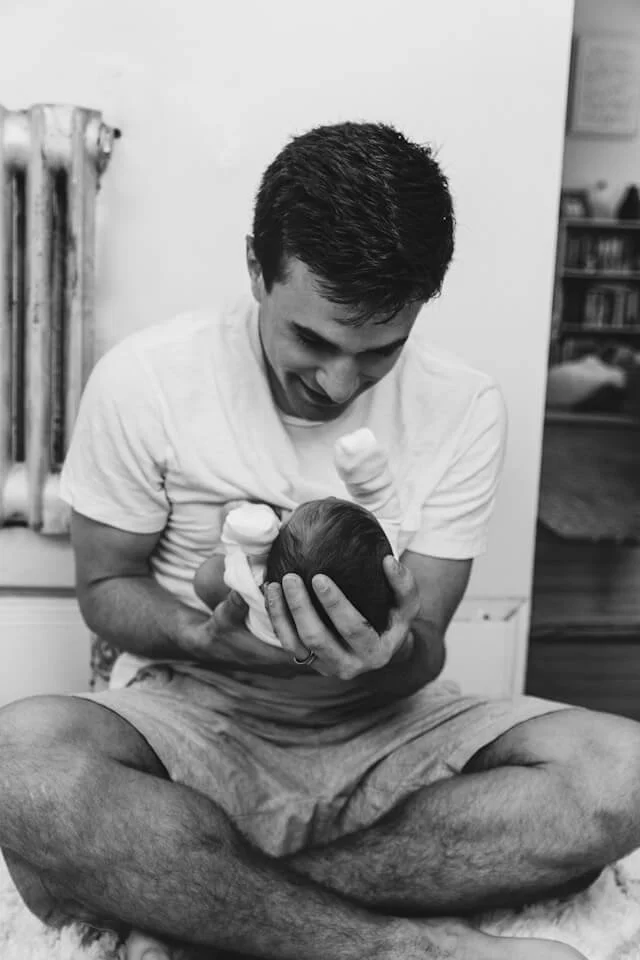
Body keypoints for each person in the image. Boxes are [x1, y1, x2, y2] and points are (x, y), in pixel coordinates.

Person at [6, 120, 637, 960]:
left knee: (621, 773)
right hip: (197, 717)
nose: (339, 384)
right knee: (22, 764)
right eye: (311, 339)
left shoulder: (464, 404)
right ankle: (401, 947)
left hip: (385, 731)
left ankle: (203, 892)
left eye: (379, 351)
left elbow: (427, 649)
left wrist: (388, 653)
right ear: (256, 268)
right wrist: (202, 636)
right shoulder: (146, 378)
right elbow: (105, 589)